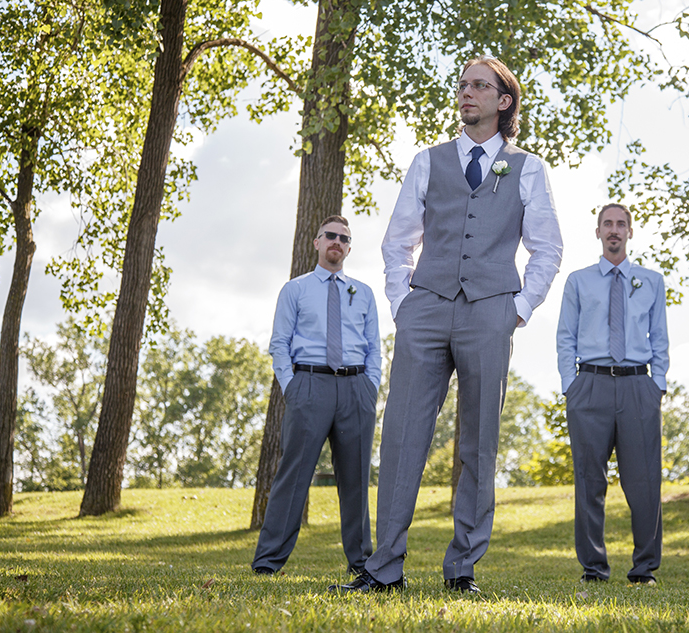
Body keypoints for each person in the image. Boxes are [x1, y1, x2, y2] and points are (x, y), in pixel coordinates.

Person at [332, 56, 563, 594]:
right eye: (463, 86)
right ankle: (384, 568)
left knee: (479, 442)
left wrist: (518, 309)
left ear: (503, 101)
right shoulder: (427, 161)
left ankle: (462, 568)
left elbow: (547, 247)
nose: (467, 94)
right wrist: (402, 303)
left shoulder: (526, 167)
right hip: (427, 308)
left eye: (480, 86)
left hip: (491, 311)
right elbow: (397, 240)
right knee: (403, 436)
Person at [252, 215, 381, 577]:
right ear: (317, 242)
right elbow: (279, 343)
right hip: (309, 385)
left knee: (356, 479)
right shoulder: (295, 289)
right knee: (293, 476)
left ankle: (361, 565)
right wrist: (291, 387)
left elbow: (375, 347)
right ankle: (267, 563)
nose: (336, 242)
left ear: (349, 248)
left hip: (356, 389)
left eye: (344, 238)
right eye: (330, 236)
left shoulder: (364, 292)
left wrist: (371, 386)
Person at [556, 203, 668, 586]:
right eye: (608, 224)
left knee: (644, 480)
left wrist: (659, 385)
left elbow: (661, 339)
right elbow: (565, 338)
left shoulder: (651, 281)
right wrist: (569, 385)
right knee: (590, 479)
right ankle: (594, 567)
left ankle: (644, 568)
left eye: (621, 224)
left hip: (639, 385)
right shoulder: (578, 281)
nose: (614, 230)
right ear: (598, 232)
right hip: (590, 384)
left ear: (630, 232)